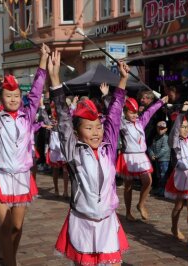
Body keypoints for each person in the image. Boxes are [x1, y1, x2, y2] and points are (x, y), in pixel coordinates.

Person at [0, 35, 48, 266]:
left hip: (22, 176)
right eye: (8, 95)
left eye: (16, 96)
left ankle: (8, 254)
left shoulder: (28, 115)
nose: (13, 99)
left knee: (16, 226)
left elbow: (37, 90)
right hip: (0, 176)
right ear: (1, 98)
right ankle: (10, 262)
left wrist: (42, 61)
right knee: (4, 227)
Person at [50, 51, 129, 265]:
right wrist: (56, 79)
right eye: (89, 128)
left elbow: (114, 116)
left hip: (107, 221)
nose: (95, 132)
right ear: (78, 132)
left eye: (98, 127)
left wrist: (122, 81)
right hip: (82, 221)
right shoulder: (73, 151)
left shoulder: (109, 148)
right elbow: (64, 119)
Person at [116, 95, 168, 221]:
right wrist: (113, 99)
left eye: (135, 112)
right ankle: (128, 212)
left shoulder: (140, 122)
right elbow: (114, 113)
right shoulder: (123, 124)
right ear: (125, 112)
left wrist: (161, 102)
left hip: (141, 156)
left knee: (148, 181)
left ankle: (141, 204)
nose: (134, 115)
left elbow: (150, 111)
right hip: (129, 157)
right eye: (131, 112)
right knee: (128, 185)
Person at [165, 101, 188, 249]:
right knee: (179, 206)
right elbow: (174, 131)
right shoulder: (175, 142)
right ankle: (174, 227)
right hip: (180, 176)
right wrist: (182, 112)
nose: (186, 130)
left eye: (187, 127)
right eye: (183, 127)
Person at [46, 101, 69, 198]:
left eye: (53, 107)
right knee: (55, 168)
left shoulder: (64, 115)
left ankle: (65, 191)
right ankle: (56, 190)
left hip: (63, 142)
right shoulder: (49, 117)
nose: (52, 110)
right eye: (51, 108)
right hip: (54, 142)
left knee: (65, 169)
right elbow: (44, 122)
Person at [149, 121, 171, 197]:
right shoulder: (155, 137)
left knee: (163, 174)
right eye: (159, 128)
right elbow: (151, 147)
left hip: (164, 159)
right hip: (157, 160)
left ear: (166, 129)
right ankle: (160, 189)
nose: (160, 130)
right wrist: (151, 154)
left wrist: (156, 156)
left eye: (162, 128)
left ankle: (163, 190)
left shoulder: (166, 138)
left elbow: (165, 149)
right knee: (159, 175)